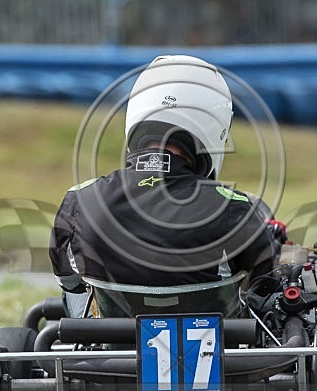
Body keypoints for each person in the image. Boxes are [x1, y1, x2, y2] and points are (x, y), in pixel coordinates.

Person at [49, 55, 276, 312]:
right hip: (215, 348)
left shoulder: (81, 200)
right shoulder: (231, 208)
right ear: (215, 126)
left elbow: (70, 284)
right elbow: (264, 288)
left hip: (107, 348)